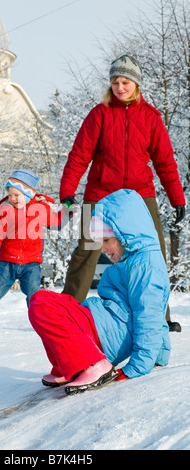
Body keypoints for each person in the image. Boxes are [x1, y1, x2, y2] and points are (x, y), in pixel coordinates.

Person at [59, 54, 186, 332]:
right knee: (86, 249)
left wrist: (177, 198)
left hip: (140, 195)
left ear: (136, 84)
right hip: (100, 191)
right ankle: (66, 312)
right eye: (115, 81)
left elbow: (165, 161)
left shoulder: (151, 117)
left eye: (125, 81)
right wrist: (67, 192)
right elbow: (79, 155)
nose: (120, 87)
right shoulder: (99, 114)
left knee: (153, 251)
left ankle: (158, 317)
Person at [28, 189, 171, 395]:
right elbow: (156, 315)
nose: (103, 249)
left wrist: (138, 367)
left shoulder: (145, 266)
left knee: (42, 303)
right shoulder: (136, 262)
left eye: (106, 240)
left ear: (126, 234)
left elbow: (150, 316)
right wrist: (161, 354)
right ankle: (71, 365)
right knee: (52, 301)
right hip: (104, 326)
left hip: (108, 333)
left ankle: (91, 363)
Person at [0, 169, 69, 329]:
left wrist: (67, 210)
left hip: (32, 264)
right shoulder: (6, 211)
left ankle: (40, 323)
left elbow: (56, 222)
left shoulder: (41, 209)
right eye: (10, 195)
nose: (12, 198)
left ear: (28, 194)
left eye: (16, 195)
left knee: (35, 296)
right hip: (7, 262)